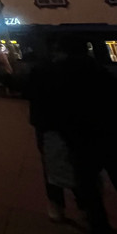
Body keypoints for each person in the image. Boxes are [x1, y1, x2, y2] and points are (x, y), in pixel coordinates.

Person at [52, 35, 117, 234]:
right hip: (114, 137)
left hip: (83, 140)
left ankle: (100, 229)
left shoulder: (61, 74)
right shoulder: (102, 70)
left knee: (89, 187)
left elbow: (57, 108)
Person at [27, 40, 77, 223]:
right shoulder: (81, 70)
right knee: (78, 165)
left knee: (52, 165)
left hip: (48, 126)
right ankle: (88, 209)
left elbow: (27, 89)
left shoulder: (41, 70)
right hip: (76, 125)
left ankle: (57, 205)